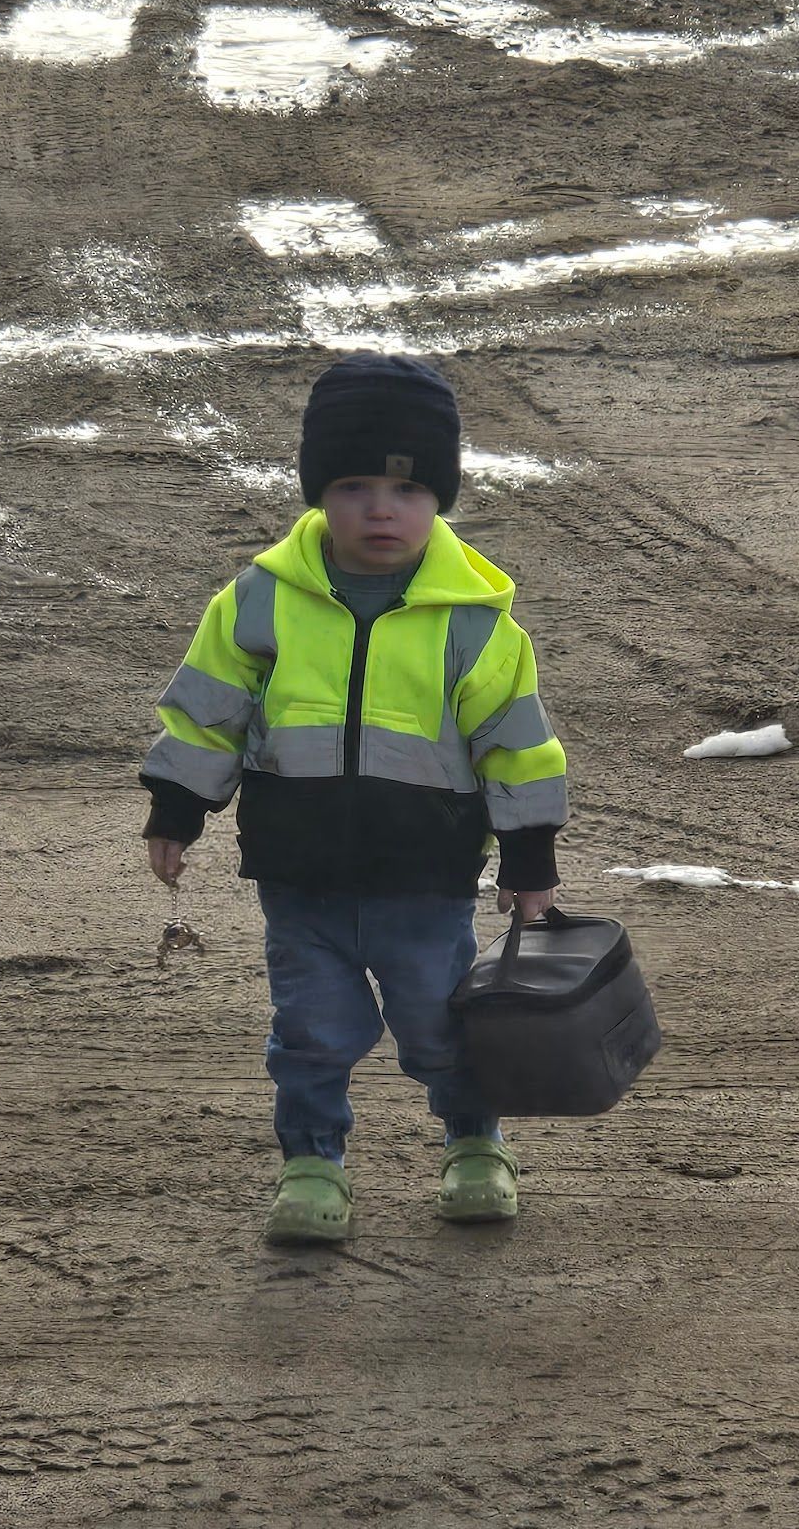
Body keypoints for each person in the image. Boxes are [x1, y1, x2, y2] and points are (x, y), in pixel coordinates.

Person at [140, 353, 568, 1244]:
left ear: (440, 500)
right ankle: (310, 1161)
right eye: (354, 484)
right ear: (316, 493)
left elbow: (517, 748)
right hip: (301, 875)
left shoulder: (475, 621)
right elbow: (207, 712)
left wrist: (529, 857)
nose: (382, 507)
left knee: (437, 1027)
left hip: (424, 878)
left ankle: (475, 1141)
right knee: (312, 1030)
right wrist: (178, 806)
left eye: (408, 491)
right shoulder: (259, 601)